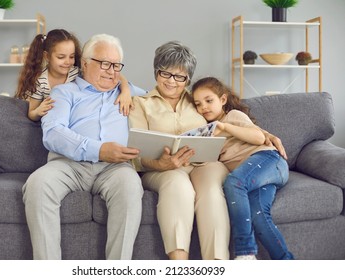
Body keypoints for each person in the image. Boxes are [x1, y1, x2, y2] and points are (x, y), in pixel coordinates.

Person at [22, 33, 146, 260]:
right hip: (68, 166)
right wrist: (98, 149)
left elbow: (165, 99)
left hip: (115, 168)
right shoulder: (64, 92)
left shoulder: (131, 93)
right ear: (86, 64)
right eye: (105, 64)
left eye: (117, 65)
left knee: (130, 185)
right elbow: (53, 133)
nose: (112, 71)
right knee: (38, 184)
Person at [128, 41, 231, 260]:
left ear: (188, 80)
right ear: (157, 72)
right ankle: (179, 265)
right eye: (166, 73)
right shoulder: (140, 103)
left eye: (180, 77)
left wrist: (263, 135)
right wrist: (160, 164)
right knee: (178, 183)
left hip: (201, 165)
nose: (172, 82)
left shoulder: (198, 100)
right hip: (160, 170)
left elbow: (230, 119)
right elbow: (134, 152)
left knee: (211, 191)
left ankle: (216, 264)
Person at [191, 76, 294, 260]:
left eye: (209, 101)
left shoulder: (232, 116)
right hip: (255, 178)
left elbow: (258, 138)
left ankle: (245, 252)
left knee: (234, 182)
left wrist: (225, 127)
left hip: (269, 160)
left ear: (222, 100)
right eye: (198, 104)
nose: (203, 107)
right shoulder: (208, 132)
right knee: (259, 215)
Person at [15, 29, 132, 121]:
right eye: (61, 57)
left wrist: (126, 91)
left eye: (71, 57)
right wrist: (38, 111)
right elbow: (31, 113)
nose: (67, 62)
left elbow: (115, 74)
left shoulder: (76, 72)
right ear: (47, 56)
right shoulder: (40, 81)